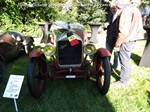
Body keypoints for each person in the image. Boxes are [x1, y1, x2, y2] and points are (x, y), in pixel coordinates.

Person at [113, 0, 144, 85]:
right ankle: (125, 78)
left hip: (126, 40)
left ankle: (123, 81)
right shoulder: (133, 9)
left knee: (124, 60)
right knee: (126, 60)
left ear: (118, 7)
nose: (114, 11)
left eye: (114, 9)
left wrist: (117, 45)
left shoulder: (125, 12)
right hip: (131, 38)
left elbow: (123, 31)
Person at [104, 4, 119, 73]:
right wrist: (105, 25)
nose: (112, 10)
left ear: (117, 7)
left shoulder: (121, 15)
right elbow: (107, 22)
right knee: (107, 53)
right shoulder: (110, 14)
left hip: (117, 39)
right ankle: (106, 67)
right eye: (111, 9)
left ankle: (114, 67)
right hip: (109, 38)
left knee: (116, 55)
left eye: (113, 8)